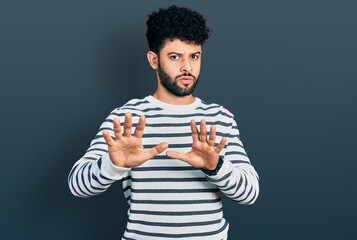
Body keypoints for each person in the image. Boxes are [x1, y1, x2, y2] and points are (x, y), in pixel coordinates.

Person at [68, 5, 259, 240]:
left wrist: (216, 167)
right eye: (175, 56)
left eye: (194, 56)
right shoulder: (126, 119)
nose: (187, 67)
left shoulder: (220, 117)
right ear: (153, 60)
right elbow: (77, 185)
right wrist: (113, 164)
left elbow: (250, 193)